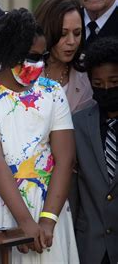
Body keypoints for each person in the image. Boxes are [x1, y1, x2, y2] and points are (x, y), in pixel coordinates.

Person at [0, 9, 79, 263]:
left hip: (49, 202)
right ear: (8, 52)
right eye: (31, 57)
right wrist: (25, 222)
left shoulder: (52, 91)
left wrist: (47, 221)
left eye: (42, 57)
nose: (37, 64)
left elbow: (65, 160)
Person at [70, 37, 118, 264]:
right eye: (98, 85)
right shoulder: (78, 124)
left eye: (114, 81)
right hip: (91, 247)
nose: (107, 89)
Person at [35, 0, 95, 114]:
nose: (71, 41)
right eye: (63, 34)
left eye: (77, 33)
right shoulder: (21, 69)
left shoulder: (87, 74)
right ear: (45, 31)